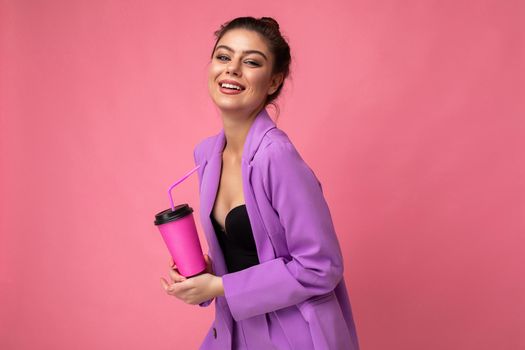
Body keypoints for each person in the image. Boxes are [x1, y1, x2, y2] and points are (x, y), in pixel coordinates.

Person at [160, 16, 360, 349]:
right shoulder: (207, 154)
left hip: (295, 335)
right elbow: (248, 250)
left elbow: (321, 266)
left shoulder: (276, 157)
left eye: (251, 62)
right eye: (224, 57)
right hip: (236, 331)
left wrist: (221, 287)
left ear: (273, 81)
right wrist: (203, 274)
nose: (232, 69)